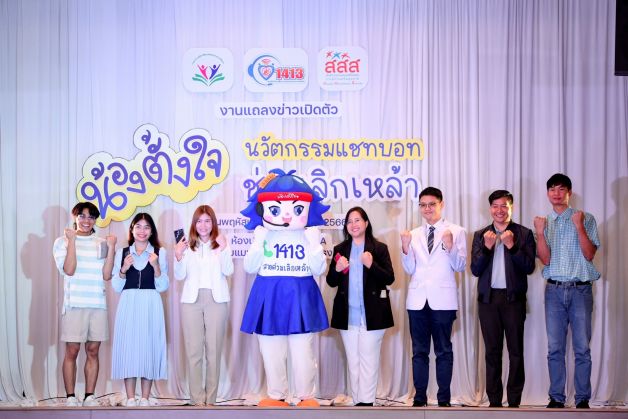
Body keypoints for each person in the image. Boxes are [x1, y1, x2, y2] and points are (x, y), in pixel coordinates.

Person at [240, 169, 330, 407]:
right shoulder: (264, 235)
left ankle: (305, 395)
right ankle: (277, 395)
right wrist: (258, 242)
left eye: (297, 209)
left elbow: (319, 268)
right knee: (271, 351)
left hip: (301, 295)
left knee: (303, 353)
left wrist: (314, 244)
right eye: (277, 209)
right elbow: (249, 267)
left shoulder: (308, 235)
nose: (287, 214)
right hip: (269, 295)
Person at [534, 173, 600, 409]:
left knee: (582, 347)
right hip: (553, 290)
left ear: (569, 193)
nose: (556, 193)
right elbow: (545, 259)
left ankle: (582, 398)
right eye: (552, 189)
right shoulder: (543, 222)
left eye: (561, 189)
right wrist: (539, 233)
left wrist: (579, 226)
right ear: (547, 193)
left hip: (580, 290)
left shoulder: (585, 218)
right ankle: (556, 397)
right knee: (555, 348)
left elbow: (590, 254)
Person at [400, 187, 466, 407]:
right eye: (423, 205)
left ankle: (443, 399)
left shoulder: (456, 231)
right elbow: (409, 269)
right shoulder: (413, 234)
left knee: (443, 350)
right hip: (417, 301)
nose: (427, 209)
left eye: (432, 204)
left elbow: (460, 265)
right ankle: (419, 397)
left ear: (441, 204)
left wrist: (450, 246)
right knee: (419, 351)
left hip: (443, 301)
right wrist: (405, 247)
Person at [470, 190, 536, 408]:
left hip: (513, 300)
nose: (499, 210)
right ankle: (495, 401)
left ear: (511, 207)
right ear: (490, 208)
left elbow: (529, 267)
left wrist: (512, 246)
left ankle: (514, 401)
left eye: (504, 206)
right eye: (495, 206)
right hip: (488, 301)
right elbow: (475, 269)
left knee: (516, 352)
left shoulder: (524, 234)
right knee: (492, 352)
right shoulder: (481, 235)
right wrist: (487, 249)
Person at [326, 207, 395, 406]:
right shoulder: (340, 249)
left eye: (357, 220)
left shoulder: (379, 248)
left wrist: (371, 265)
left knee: (369, 361)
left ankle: (366, 403)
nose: (353, 224)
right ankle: (357, 401)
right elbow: (331, 281)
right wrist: (337, 269)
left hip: (373, 314)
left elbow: (389, 278)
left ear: (366, 223)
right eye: (349, 221)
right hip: (347, 315)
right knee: (353, 361)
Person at [52, 202, 116, 407]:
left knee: (93, 351)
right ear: (75, 217)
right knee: (72, 350)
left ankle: (90, 396)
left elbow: (107, 275)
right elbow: (69, 270)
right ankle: (71, 396)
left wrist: (112, 248)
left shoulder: (102, 243)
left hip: (97, 303)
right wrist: (72, 241)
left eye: (91, 217)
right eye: (82, 216)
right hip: (74, 304)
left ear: (95, 220)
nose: (86, 220)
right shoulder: (62, 242)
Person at [174, 205, 234, 406]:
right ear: (194, 224)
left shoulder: (221, 244)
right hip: (191, 301)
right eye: (199, 221)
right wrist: (178, 256)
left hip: (217, 300)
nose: (203, 225)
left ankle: (211, 399)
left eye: (207, 221)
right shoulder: (186, 245)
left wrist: (224, 249)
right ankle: (196, 399)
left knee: (214, 351)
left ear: (213, 223)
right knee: (194, 352)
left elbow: (228, 270)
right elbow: (179, 275)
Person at [111, 213, 169, 407]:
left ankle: (144, 397)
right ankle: (130, 398)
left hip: (151, 303)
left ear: (152, 231)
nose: (142, 231)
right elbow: (116, 286)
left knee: (148, 347)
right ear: (132, 229)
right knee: (128, 348)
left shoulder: (160, 253)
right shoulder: (122, 253)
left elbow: (163, 286)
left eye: (146, 227)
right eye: (138, 226)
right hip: (128, 303)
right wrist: (123, 269)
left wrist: (156, 266)